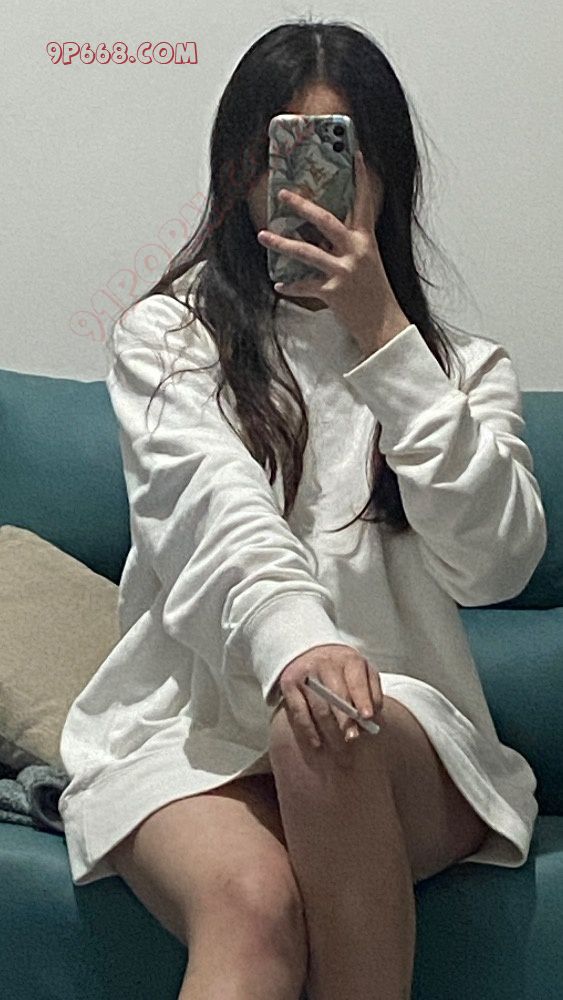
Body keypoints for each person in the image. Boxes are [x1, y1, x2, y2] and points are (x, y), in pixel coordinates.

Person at [58, 17, 547, 1000]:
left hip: (399, 731)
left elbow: (493, 565)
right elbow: (212, 510)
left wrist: (385, 340)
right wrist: (297, 644)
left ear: (386, 176)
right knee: (250, 904)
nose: (304, 190)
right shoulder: (169, 338)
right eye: (280, 155)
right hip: (192, 732)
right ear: (238, 171)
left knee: (322, 724)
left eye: (339, 156)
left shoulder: (459, 367)